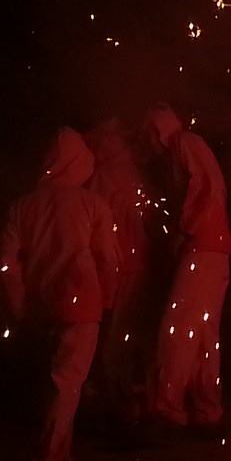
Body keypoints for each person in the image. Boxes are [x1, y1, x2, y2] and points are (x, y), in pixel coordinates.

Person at [0, 128, 119, 461]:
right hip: (82, 305)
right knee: (67, 384)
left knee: (58, 383)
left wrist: (19, 303)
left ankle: (60, 455)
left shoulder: (22, 206)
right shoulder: (91, 203)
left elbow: (6, 264)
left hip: (41, 306)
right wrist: (108, 298)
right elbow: (108, 258)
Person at [142, 105, 231, 435]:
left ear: (157, 131)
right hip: (214, 249)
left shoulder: (184, 142)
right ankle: (206, 410)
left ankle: (167, 409)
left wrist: (185, 227)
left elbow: (205, 186)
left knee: (178, 328)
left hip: (202, 247)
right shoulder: (186, 146)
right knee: (202, 334)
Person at [86, 119, 154, 427]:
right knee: (127, 330)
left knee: (114, 335)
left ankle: (120, 406)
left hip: (117, 262)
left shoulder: (106, 176)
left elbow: (94, 222)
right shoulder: (134, 173)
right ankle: (131, 396)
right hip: (136, 260)